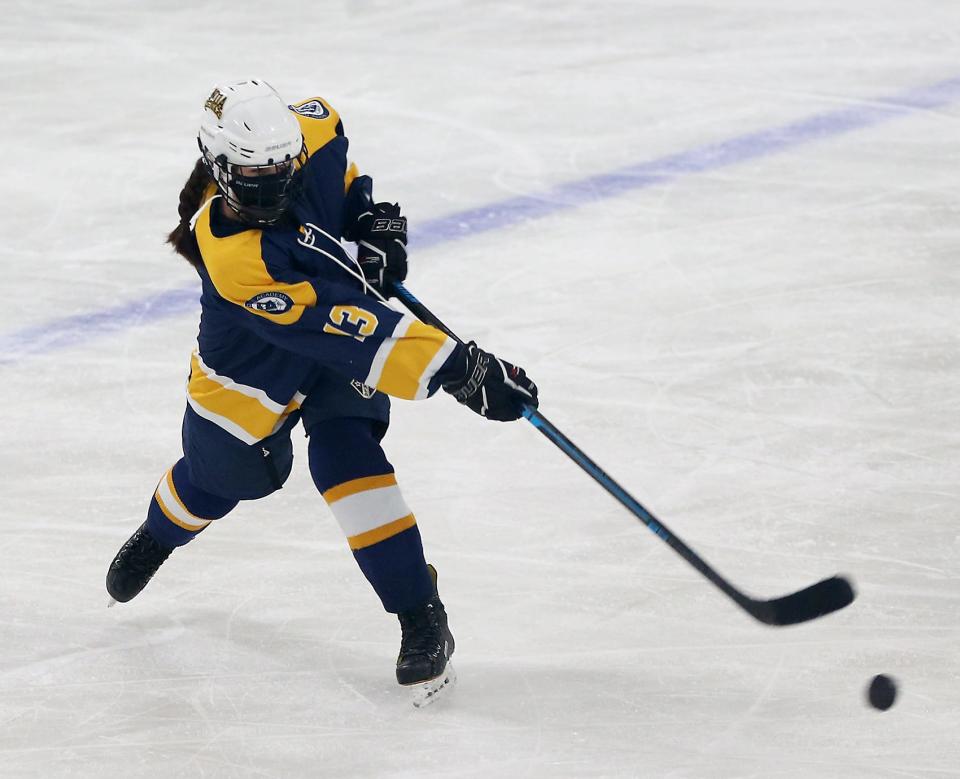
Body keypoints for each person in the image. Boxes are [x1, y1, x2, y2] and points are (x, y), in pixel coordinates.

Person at [105, 79, 538, 704]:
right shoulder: (240, 263)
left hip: (333, 348)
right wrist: (459, 370)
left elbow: (341, 173)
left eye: (283, 168)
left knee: (346, 457)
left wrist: (367, 220)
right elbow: (353, 328)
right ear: (219, 166)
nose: (274, 184)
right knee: (220, 479)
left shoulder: (306, 132)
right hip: (252, 376)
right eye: (255, 174)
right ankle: (160, 532)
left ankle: (419, 612)